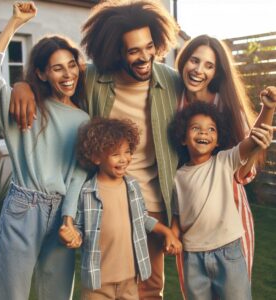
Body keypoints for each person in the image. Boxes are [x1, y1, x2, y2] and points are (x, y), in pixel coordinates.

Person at [9, 1, 181, 298]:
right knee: (101, 283)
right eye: (133, 51)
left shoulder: (171, 80)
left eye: (149, 47)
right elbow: (55, 80)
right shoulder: (93, 79)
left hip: (152, 200)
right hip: (104, 198)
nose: (144, 57)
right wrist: (21, 85)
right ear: (116, 51)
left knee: (150, 287)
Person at [0, 2, 89, 300]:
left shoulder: (84, 119)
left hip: (63, 212)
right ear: (41, 74)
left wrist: (69, 219)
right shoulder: (23, 107)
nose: (67, 74)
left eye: (71, 64)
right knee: (9, 294)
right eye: (57, 68)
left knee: (57, 295)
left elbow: (79, 174)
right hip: (23, 207)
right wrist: (14, 23)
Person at [173, 35, 264, 287]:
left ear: (217, 71)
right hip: (190, 222)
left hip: (229, 218)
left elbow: (246, 169)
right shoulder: (173, 101)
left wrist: (254, 149)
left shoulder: (227, 105)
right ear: (184, 59)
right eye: (194, 60)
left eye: (209, 65)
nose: (198, 70)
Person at [168, 89, 276, 299]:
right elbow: (177, 213)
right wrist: (172, 236)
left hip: (229, 252)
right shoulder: (177, 176)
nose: (204, 133)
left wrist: (268, 108)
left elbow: (254, 139)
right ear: (183, 138)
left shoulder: (225, 161)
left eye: (211, 130)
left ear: (218, 140)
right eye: (196, 129)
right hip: (193, 257)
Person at [60, 117, 182, 299]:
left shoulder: (132, 186)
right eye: (115, 154)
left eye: (127, 152)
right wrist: (72, 237)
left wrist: (166, 232)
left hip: (129, 279)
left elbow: (142, 218)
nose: (124, 159)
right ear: (95, 157)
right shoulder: (86, 192)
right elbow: (79, 230)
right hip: (97, 283)